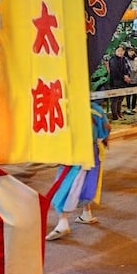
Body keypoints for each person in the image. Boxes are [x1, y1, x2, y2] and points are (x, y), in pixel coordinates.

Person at [46, 101, 111, 241]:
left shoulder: (67, 107)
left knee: (66, 186)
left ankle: (62, 223)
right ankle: (86, 214)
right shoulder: (96, 109)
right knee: (84, 184)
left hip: (74, 153)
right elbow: (104, 133)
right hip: (93, 152)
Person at [108, 46, 131, 121]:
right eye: (119, 50)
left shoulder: (124, 59)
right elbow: (115, 71)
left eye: (122, 51)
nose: (121, 52)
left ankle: (119, 113)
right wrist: (124, 77)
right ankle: (115, 115)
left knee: (121, 99)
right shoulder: (113, 60)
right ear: (115, 51)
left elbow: (128, 68)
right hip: (115, 82)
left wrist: (127, 76)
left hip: (123, 83)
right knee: (115, 99)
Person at [124, 45, 137, 115]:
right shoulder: (125, 59)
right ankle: (128, 107)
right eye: (130, 51)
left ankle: (134, 107)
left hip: (135, 78)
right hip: (128, 79)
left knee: (135, 94)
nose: (131, 53)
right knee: (128, 94)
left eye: (133, 51)